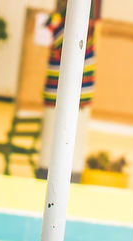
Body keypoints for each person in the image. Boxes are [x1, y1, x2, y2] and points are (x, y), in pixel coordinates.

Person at [37, 0, 100, 181]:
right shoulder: (83, 27)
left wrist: (57, 17)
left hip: (73, 91)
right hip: (65, 90)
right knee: (57, 135)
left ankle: (59, 171)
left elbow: (58, 39)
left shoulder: (80, 28)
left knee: (67, 136)